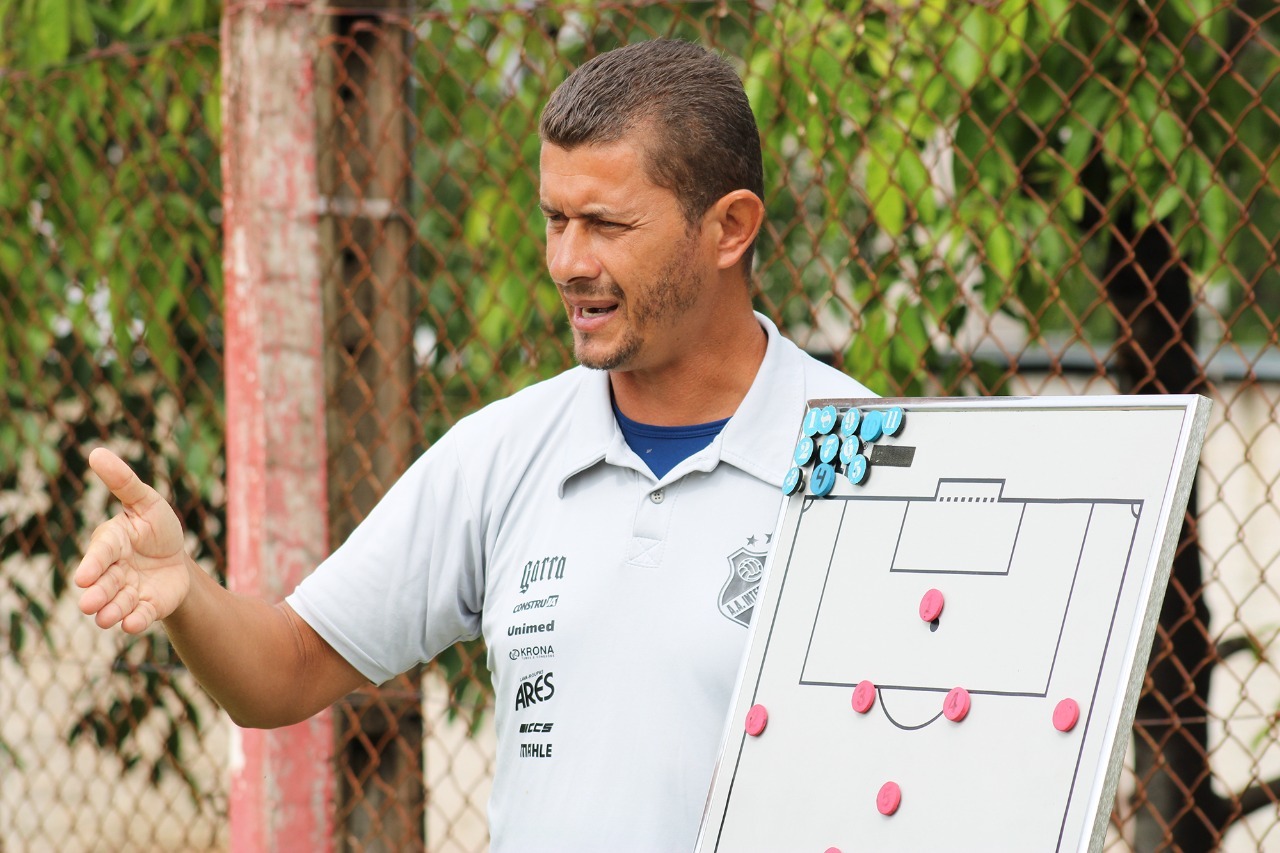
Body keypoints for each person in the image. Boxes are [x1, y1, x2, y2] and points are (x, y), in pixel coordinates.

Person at [75, 39, 875, 851]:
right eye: (555, 220)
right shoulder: (504, 452)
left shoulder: (865, 458)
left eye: (605, 224)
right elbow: (286, 669)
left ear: (730, 227)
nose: (567, 262)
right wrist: (188, 593)